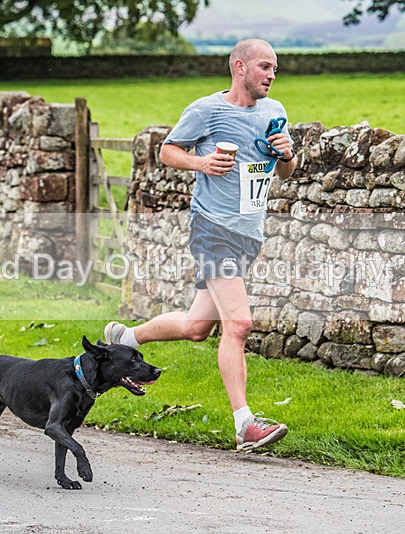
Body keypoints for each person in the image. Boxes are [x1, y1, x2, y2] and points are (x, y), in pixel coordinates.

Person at [104, 39, 297, 451]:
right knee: (239, 324)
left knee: (197, 327)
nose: (271, 75)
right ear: (240, 67)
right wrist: (202, 162)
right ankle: (245, 424)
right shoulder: (207, 110)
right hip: (212, 229)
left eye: (275, 69)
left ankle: (127, 338)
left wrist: (287, 156)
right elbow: (167, 150)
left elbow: (288, 171)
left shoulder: (274, 112)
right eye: (265, 67)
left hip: (249, 234)